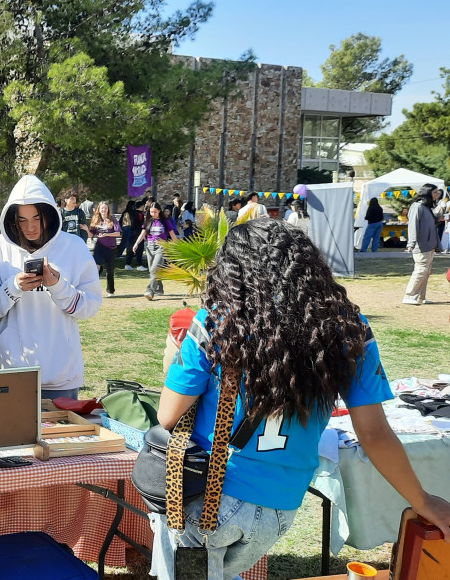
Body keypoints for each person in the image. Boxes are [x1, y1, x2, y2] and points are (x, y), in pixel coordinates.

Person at [151, 218, 450, 580]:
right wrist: (422, 499)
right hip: (282, 506)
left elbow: (168, 416)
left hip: (210, 498)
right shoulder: (348, 327)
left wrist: (176, 356)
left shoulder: (216, 322)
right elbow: (373, 433)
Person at [0, 175, 102, 400]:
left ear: (50, 214)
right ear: (12, 218)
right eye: (22, 220)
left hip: (60, 373)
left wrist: (58, 286)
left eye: (37, 217)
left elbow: (91, 306)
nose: (31, 227)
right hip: (10, 370)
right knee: (11, 434)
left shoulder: (74, 246)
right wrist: (14, 287)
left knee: (61, 435)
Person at [132, 202, 179, 301]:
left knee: (154, 269)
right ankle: (159, 288)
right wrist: (136, 244)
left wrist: (178, 246)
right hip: (149, 247)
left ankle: (150, 291)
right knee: (153, 270)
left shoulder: (165, 222)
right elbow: (143, 233)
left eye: (155, 212)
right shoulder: (148, 221)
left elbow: (172, 235)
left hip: (161, 247)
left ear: (159, 211)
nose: (153, 214)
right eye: (151, 212)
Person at [402, 183, 439, 305]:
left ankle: (420, 297)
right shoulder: (417, 206)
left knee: (426, 271)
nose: (437, 195)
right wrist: (411, 243)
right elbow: (413, 226)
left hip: (430, 245)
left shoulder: (426, 207)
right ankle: (409, 295)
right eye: (434, 192)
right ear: (427, 193)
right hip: (421, 246)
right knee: (420, 270)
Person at [90, 202, 121, 297]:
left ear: (108, 210)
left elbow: (118, 233)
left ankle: (110, 290)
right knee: (96, 268)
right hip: (99, 246)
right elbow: (91, 234)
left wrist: (107, 234)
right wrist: (86, 230)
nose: (104, 210)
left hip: (110, 248)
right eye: (102, 208)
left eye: (105, 208)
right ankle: (93, 289)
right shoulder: (96, 220)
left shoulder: (112, 220)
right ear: (99, 210)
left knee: (110, 271)